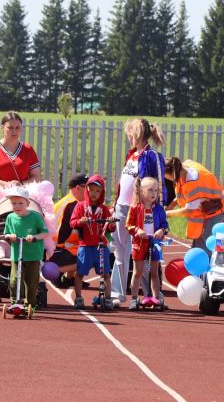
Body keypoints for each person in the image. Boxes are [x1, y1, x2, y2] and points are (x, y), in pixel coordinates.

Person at [111, 118, 166, 303]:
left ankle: (150, 293)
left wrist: (157, 211)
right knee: (120, 250)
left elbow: (157, 184)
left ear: (137, 134)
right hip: (122, 207)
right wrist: (115, 205)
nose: (128, 137)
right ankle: (118, 292)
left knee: (142, 251)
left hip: (141, 211)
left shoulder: (151, 156)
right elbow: (123, 183)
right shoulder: (132, 155)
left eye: (130, 134)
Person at [69, 175, 117, 309]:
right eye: (92, 190)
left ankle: (107, 298)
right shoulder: (80, 206)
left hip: (101, 247)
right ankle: (78, 297)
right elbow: (72, 223)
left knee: (105, 273)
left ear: (102, 193)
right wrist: (81, 221)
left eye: (97, 191)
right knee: (80, 274)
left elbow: (111, 229)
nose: (94, 193)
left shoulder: (105, 209)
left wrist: (112, 223)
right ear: (87, 190)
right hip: (85, 247)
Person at [164, 157, 224, 254]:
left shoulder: (193, 185)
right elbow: (181, 193)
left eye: (166, 177)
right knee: (199, 248)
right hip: (207, 212)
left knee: (208, 251)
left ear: (172, 174)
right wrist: (171, 206)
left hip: (215, 214)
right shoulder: (183, 168)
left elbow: (188, 210)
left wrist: (167, 213)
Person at [125, 177, 169, 310]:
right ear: (142, 191)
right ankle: (133, 299)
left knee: (154, 273)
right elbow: (128, 225)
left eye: (156, 190)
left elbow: (165, 225)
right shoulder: (135, 208)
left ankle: (155, 298)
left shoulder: (159, 209)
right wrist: (137, 230)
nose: (154, 193)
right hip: (139, 243)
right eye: (150, 190)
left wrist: (162, 230)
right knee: (137, 272)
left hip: (154, 243)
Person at [3, 186, 48, 308]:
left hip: (33, 254)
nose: (17, 206)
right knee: (14, 280)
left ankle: (30, 304)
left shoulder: (36, 217)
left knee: (31, 282)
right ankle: (15, 303)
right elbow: (5, 233)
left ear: (27, 203)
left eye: (20, 203)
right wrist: (10, 236)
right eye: (14, 203)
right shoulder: (10, 218)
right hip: (17, 254)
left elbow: (45, 233)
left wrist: (34, 237)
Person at [0, 111, 40, 188]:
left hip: (22, 195)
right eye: (10, 127)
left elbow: (36, 177)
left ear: (21, 128)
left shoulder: (28, 149)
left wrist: (20, 185)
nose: (14, 131)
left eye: (17, 127)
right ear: (2, 128)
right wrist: (7, 185)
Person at [50, 173, 88, 288]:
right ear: (78, 188)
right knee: (91, 253)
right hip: (58, 250)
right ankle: (55, 272)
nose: (90, 191)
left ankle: (69, 278)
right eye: (88, 187)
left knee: (79, 245)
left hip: (57, 247)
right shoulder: (72, 204)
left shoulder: (67, 200)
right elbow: (65, 232)